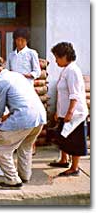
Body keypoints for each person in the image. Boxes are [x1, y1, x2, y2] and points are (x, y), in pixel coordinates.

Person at [0, 56, 46, 189]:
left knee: (2, 148)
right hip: (39, 116)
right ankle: (25, 176)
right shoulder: (16, 75)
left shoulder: (0, 82)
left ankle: (12, 180)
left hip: (24, 118)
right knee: (25, 147)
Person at [48, 42, 88, 176]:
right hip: (64, 112)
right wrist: (58, 113)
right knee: (64, 137)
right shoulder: (66, 70)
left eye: (57, 57)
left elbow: (74, 94)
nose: (56, 61)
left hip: (75, 114)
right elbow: (62, 94)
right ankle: (64, 159)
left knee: (75, 140)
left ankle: (75, 168)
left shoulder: (72, 71)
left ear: (65, 56)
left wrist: (70, 112)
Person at [6, 27, 42, 154]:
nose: (20, 43)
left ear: (27, 41)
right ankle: (17, 145)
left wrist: (27, 75)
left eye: (22, 40)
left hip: (27, 89)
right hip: (14, 90)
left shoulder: (32, 53)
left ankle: (31, 146)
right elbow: (7, 71)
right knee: (16, 116)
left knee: (29, 117)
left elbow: (37, 71)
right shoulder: (11, 55)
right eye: (18, 40)